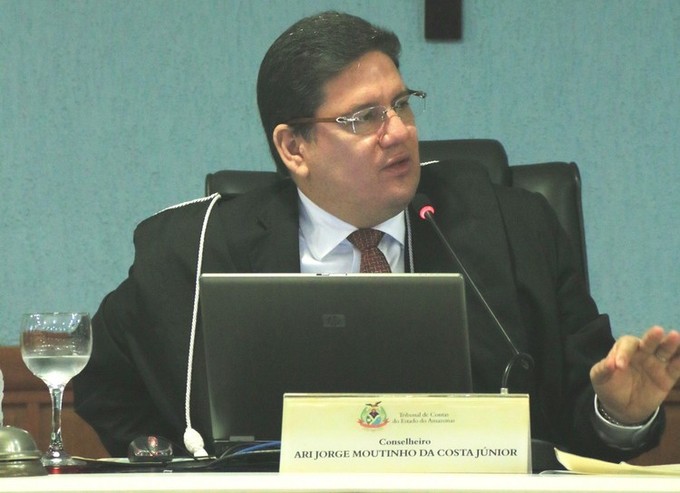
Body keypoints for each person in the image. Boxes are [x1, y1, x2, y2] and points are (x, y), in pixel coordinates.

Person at [74, 11, 680, 463]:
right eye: (364, 118)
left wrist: (621, 411)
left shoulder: (515, 227)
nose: (399, 132)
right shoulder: (192, 250)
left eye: (401, 104)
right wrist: (171, 462)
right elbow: (101, 380)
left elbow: (583, 415)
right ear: (293, 148)